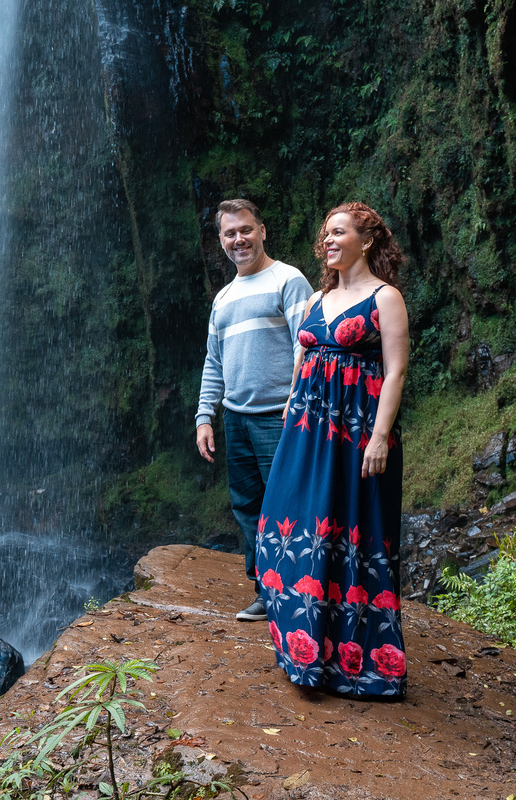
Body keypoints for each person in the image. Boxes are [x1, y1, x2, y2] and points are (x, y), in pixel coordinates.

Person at [256, 201, 409, 697]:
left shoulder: (386, 298)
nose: (327, 240)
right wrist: (290, 406)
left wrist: (381, 436)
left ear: (366, 241)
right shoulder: (314, 301)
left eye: (338, 232)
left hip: (356, 432)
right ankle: (303, 653)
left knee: (352, 532)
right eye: (325, 232)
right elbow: (304, 361)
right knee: (287, 525)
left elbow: (396, 371)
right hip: (305, 430)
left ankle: (356, 663)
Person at [196, 199, 313, 622]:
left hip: (278, 416)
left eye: (245, 230)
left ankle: (300, 591)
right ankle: (266, 591)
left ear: (262, 231)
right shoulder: (223, 298)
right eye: (230, 233)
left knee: (287, 504)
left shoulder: (289, 280)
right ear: (221, 241)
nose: (238, 239)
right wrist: (205, 416)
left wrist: (297, 402)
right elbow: (214, 361)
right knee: (247, 506)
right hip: (236, 418)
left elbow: (309, 346)